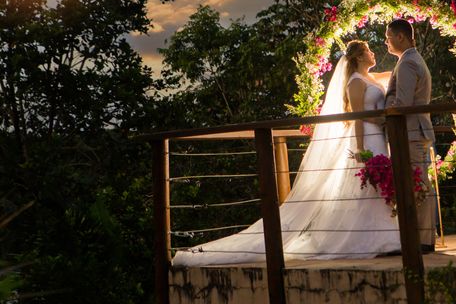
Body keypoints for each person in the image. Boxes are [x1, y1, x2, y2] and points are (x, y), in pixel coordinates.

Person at [172, 40, 400, 267]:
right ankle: (371, 238)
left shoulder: (371, 78)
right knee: (368, 186)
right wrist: (361, 148)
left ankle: (387, 235)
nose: (373, 53)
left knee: (380, 185)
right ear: (359, 57)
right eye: (369, 51)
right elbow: (356, 117)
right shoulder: (356, 82)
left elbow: (392, 75)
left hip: (379, 136)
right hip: (367, 137)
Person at [384, 19, 437, 252]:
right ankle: (421, 237)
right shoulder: (412, 59)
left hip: (412, 131)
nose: (386, 41)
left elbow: (402, 103)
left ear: (400, 37)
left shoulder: (407, 63)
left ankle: (423, 240)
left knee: (419, 184)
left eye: (388, 37)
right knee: (418, 182)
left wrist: (380, 111)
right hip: (416, 129)